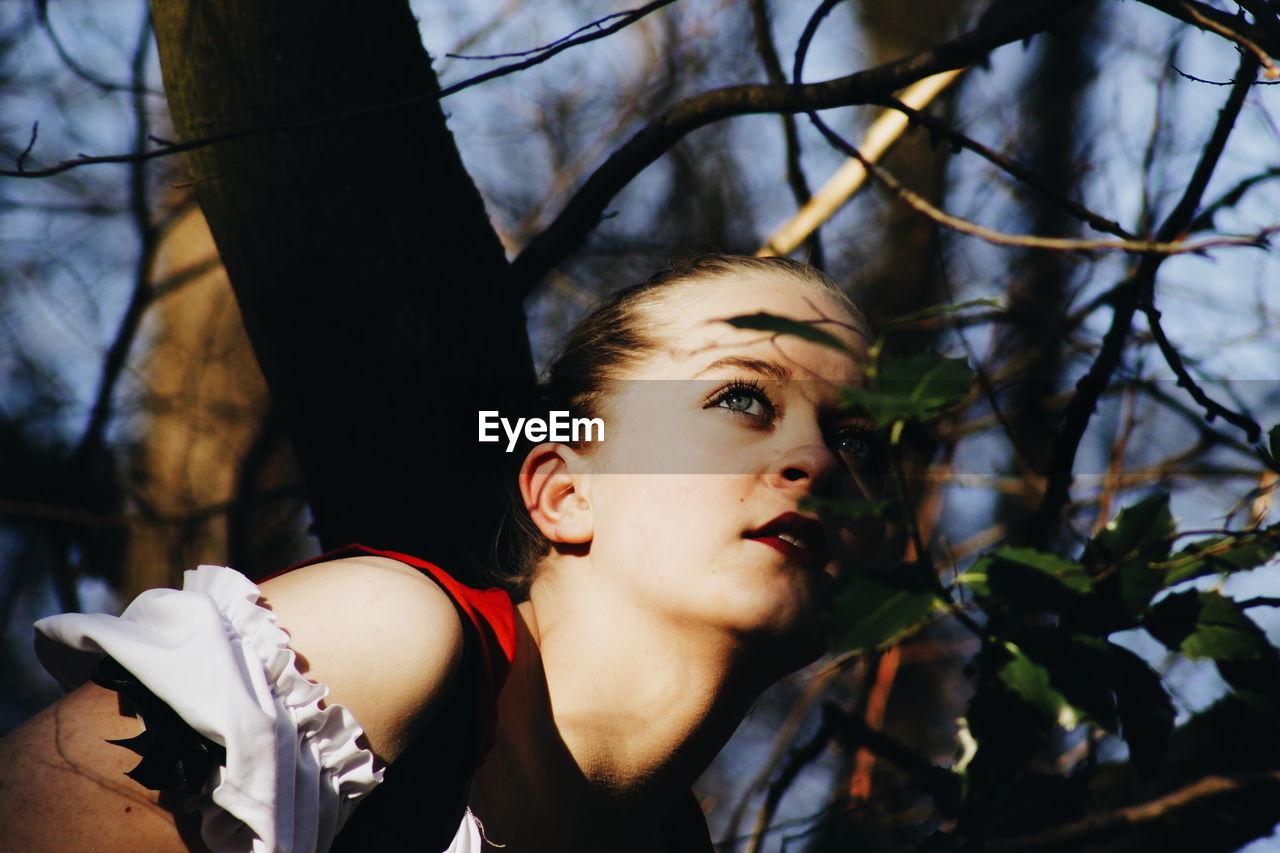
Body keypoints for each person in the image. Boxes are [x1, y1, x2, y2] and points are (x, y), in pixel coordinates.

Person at [0, 254, 883, 852]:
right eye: (740, 398)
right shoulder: (372, 638)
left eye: (859, 441)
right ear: (567, 492)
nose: (817, 462)